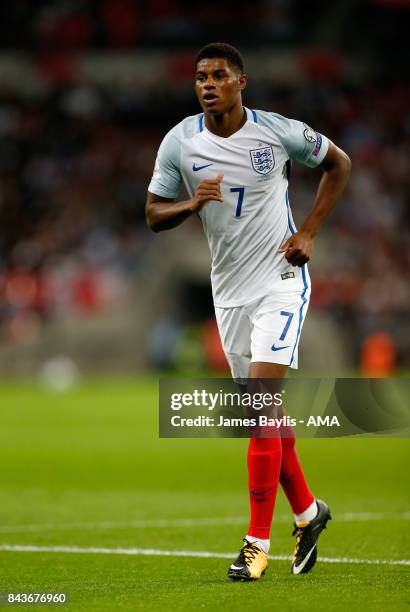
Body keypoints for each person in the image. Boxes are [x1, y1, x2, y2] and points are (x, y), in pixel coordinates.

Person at [146, 42, 351, 581]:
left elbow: (339, 164)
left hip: (280, 282)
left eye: (217, 75)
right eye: (199, 77)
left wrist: (308, 230)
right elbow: (152, 214)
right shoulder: (180, 143)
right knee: (261, 417)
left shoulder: (277, 131)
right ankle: (309, 513)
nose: (207, 84)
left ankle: (255, 543)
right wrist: (190, 205)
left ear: (241, 82)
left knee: (259, 405)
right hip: (229, 291)